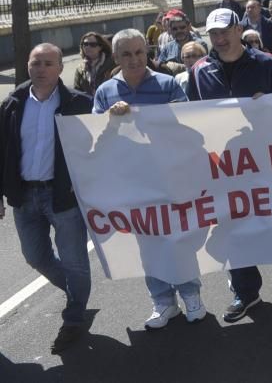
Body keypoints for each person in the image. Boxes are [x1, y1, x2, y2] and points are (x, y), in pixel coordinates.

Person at [187, 9, 272, 322]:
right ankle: (246, 293)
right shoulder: (199, 70)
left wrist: (268, 108)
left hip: (263, 159)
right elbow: (193, 117)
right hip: (223, 164)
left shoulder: (265, 63)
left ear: (238, 30)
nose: (219, 39)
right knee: (230, 225)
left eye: (224, 32)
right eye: (213, 34)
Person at [92, 29, 201, 328]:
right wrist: (111, 121)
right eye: (126, 54)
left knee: (179, 238)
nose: (134, 59)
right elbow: (95, 137)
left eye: (139, 52)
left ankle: (191, 295)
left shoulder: (166, 84)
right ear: (115, 57)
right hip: (133, 181)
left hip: (170, 177)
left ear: (147, 52)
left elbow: (185, 123)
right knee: (149, 242)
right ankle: (163, 302)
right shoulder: (105, 92)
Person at [0, 44, 93, 353]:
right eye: (35, 63)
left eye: (47, 63)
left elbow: (101, 142)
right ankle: (75, 295)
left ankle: (75, 317)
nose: (40, 68)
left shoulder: (79, 104)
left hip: (62, 196)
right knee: (35, 256)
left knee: (75, 261)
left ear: (60, 68)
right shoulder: (12, 104)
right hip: (24, 196)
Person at [73, 32, 115, 96]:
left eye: (93, 45)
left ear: (100, 47)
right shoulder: (80, 69)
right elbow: (77, 91)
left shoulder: (112, 64)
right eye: (85, 44)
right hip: (89, 104)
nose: (88, 47)